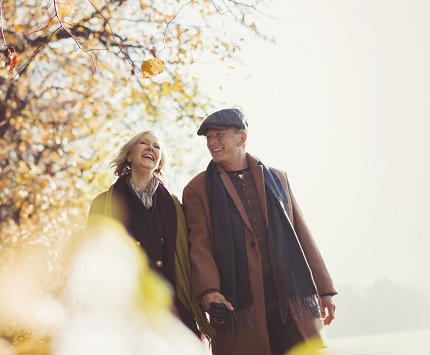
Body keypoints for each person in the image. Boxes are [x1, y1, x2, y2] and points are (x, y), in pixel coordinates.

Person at [182, 109, 337, 355]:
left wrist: (325, 290)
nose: (212, 143)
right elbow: (200, 246)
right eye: (208, 138)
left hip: (289, 300)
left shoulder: (278, 178)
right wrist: (208, 291)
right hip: (241, 308)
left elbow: (302, 235)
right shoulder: (197, 189)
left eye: (218, 135)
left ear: (242, 138)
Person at [89, 130, 211, 338]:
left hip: (172, 310)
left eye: (156, 147)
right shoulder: (102, 203)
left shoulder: (174, 205)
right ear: (129, 156)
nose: (150, 149)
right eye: (143, 144)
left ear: (160, 161)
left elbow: (191, 253)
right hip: (125, 311)